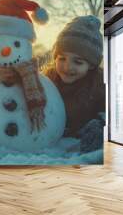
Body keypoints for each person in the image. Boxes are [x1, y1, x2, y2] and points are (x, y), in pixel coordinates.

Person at [43, 15, 105, 153]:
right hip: (53, 139)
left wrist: (100, 124)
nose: (67, 67)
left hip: (79, 140)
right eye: (62, 58)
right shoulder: (48, 81)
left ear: (91, 65)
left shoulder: (98, 85)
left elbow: (108, 112)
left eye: (77, 62)